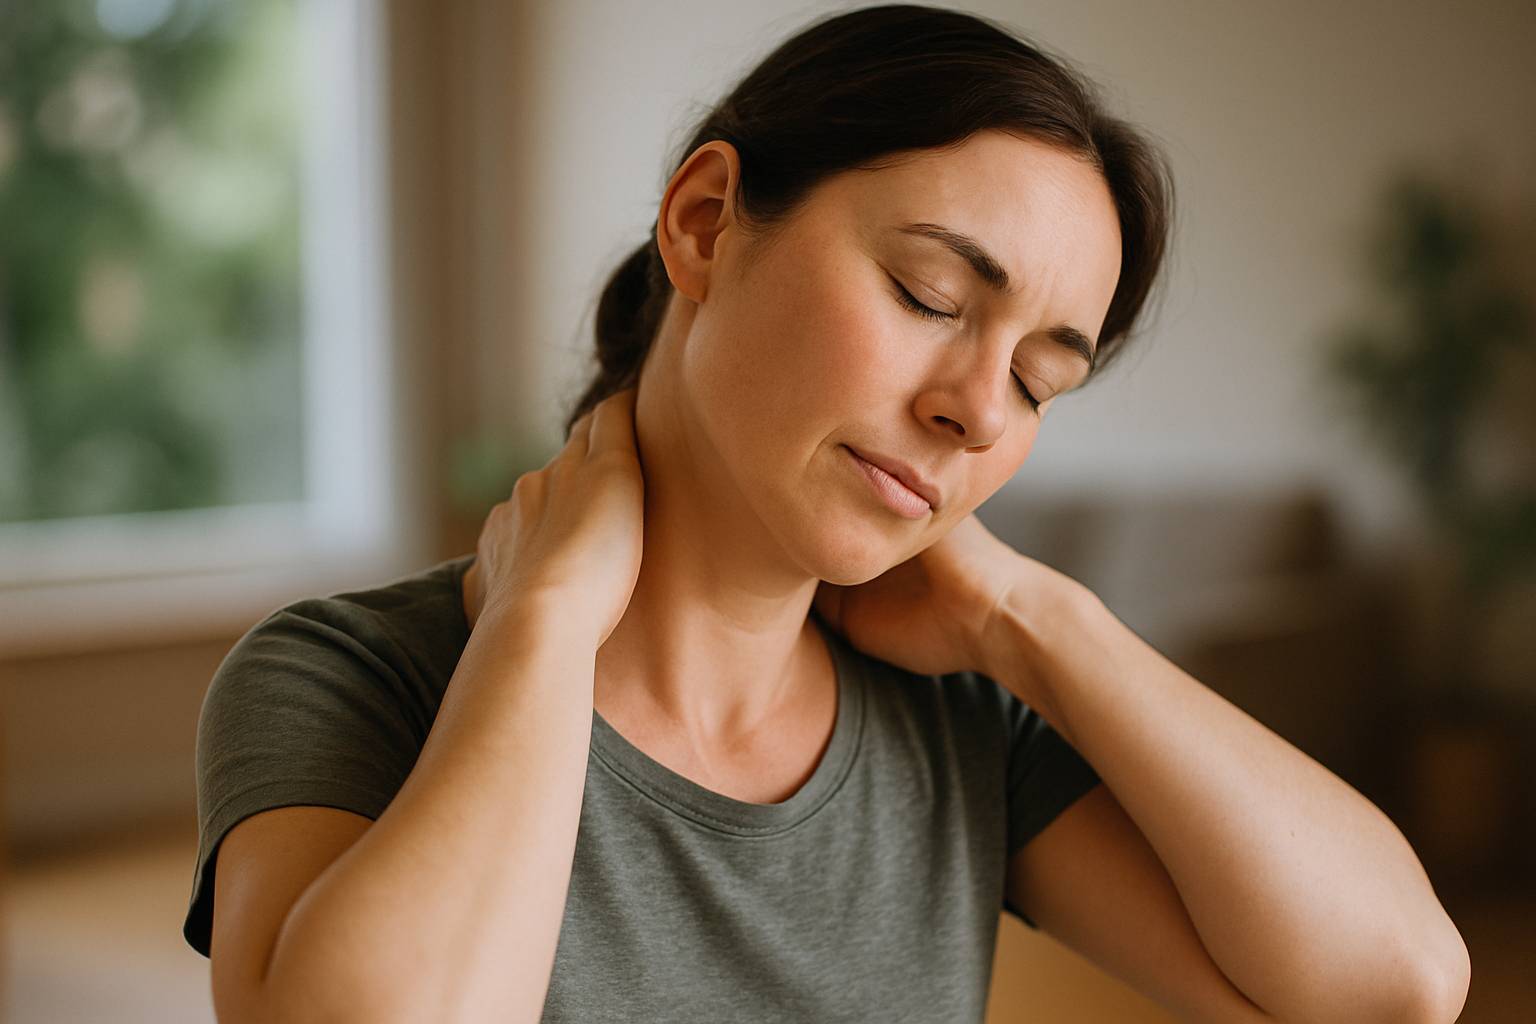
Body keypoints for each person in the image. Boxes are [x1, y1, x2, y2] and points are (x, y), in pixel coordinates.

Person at [184, 5, 1470, 1023]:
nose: (980, 410)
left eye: (1039, 381)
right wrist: (547, 621)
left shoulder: (958, 723)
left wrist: (1028, 613)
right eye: (929, 295)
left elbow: (1399, 984)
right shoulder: (351, 678)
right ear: (704, 225)